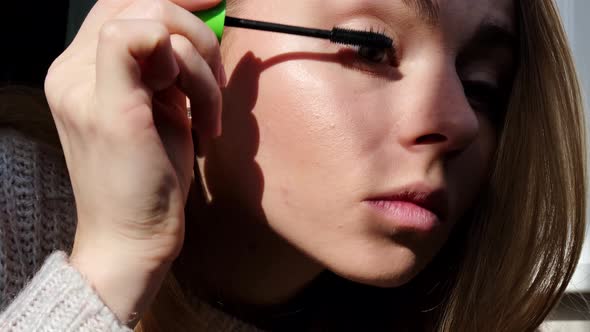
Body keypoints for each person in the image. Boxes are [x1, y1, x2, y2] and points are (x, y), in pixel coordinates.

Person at [0, 0, 586, 331]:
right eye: (370, 48)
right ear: (190, 34)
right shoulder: (12, 208)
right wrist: (112, 264)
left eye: (482, 84)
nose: (458, 120)